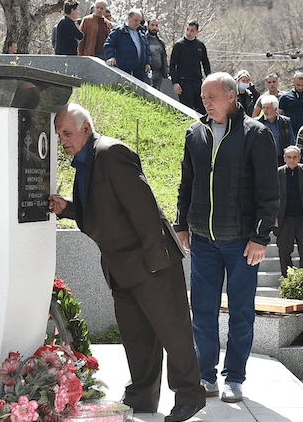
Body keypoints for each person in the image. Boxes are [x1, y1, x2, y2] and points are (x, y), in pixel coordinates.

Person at [50, 104, 206, 422]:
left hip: (151, 263)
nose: (63, 140)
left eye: (67, 132)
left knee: (173, 332)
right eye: (59, 135)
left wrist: (154, 261)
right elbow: (97, 211)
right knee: (137, 337)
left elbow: (144, 208)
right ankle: (142, 396)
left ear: (86, 128)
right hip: (122, 268)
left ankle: (190, 396)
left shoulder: (110, 152)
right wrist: (66, 207)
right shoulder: (85, 163)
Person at [174, 72, 279, 403]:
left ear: (232, 96)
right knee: (202, 309)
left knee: (241, 312)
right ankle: (206, 376)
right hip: (203, 240)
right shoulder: (195, 133)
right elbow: (186, 183)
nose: (206, 103)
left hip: (241, 242)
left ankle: (234, 377)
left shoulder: (256, 134)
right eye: (204, 97)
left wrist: (261, 237)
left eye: (212, 97)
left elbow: (268, 191)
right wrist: (181, 224)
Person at [276, 146, 303, 274]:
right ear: (284, 158)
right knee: (284, 249)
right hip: (285, 219)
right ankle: (287, 278)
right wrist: (274, 217)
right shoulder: (278, 173)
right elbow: (272, 196)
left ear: (299, 158)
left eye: (295, 157)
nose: (292, 160)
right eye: (289, 157)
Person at [169, 21, 211, 115]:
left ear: (197, 32)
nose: (189, 33)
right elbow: (172, 65)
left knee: (201, 110)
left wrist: (209, 80)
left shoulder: (200, 45)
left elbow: (205, 63)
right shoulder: (179, 45)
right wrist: (175, 82)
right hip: (184, 82)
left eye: (192, 30)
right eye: (187, 30)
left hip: (197, 82)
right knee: (187, 110)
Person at [104, 8, 152, 82]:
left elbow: (146, 50)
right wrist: (111, 57)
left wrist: (147, 63)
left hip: (139, 72)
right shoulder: (119, 31)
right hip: (124, 70)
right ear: (129, 18)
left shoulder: (141, 33)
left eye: (139, 21)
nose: (137, 23)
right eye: (135, 20)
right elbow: (109, 44)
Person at [257, 95, 295, 166]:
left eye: (268, 108)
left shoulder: (285, 122)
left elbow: (292, 141)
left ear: (275, 109)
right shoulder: (257, 123)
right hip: (262, 159)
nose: (265, 111)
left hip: (281, 159)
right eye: (264, 108)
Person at [146, 18, 169, 90]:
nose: (154, 28)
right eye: (152, 25)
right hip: (147, 72)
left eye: (156, 25)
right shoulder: (144, 39)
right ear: (148, 26)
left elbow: (164, 57)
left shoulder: (160, 42)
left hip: (158, 73)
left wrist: (165, 72)